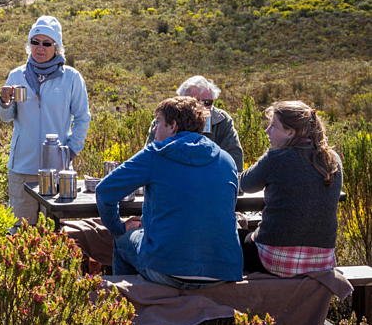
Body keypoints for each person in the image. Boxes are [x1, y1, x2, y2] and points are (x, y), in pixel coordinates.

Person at [96, 96, 243, 287]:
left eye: (158, 122)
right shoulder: (226, 159)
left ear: (173, 126)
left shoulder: (156, 153)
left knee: (122, 241)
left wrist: (118, 228)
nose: (154, 129)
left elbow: (104, 191)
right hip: (223, 271)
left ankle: (131, 301)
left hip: (167, 268)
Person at [0, 15, 91, 226]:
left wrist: (70, 151)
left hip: (57, 171)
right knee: (20, 231)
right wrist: (4, 102)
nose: (40, 48)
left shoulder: (71, 77)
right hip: (22, 168)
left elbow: (82, 118)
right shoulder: (16, 75)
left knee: (54, 231)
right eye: (35, 42)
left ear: (56, 47)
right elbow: (5, 117)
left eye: (47, 43)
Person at [238, 101, 343, 277]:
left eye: (273, 126)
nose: (267, 131)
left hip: (275, 261)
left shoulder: (276, 157)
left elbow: (246, 184)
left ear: (290, 132)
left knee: (234, 238)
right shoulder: (332, 159)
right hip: (322, 262)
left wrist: (270, 153)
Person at [146, 75, 243, 171]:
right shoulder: (164, 120)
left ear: (213, 101)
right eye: (194, 102)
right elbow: (148, 156)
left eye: (207, 102)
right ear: (181, 100)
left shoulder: (221, 120)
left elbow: (235, 160)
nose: (201, 107)